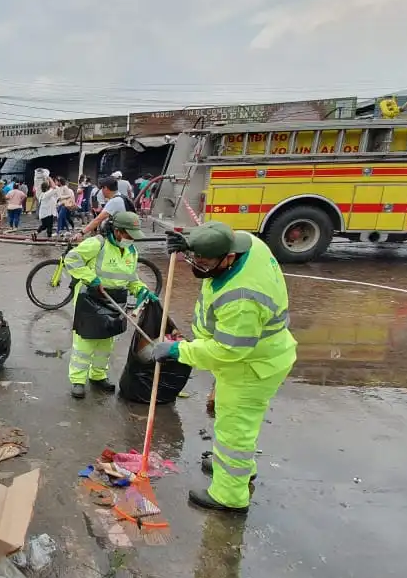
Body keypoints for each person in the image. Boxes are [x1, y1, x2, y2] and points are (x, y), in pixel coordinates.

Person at [151, 222, 297, 513]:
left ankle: (229, 495)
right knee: (237, 425)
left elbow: (227, 350)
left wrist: (179, 350)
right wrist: (190, 242)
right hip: (261, 354)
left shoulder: (242, 298)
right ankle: (234, 467)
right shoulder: (247, 243)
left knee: (235, 430)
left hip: (251, 366)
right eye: (195, 257)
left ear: (228, 257)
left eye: (204, 261)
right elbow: (221, 234)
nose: (197, 265)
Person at [64, 212, 155, 399]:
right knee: (85, 343)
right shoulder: (97, 244)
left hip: (115, 301)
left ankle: (98, 376)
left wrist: (141, 290)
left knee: (106, 343)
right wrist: (91, 279)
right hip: (90, 298)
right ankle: (78, 381)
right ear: (117, 231)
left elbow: (131, 278)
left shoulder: (131, 251)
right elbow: (71, 259)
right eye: (129, 235)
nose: (132, 239)